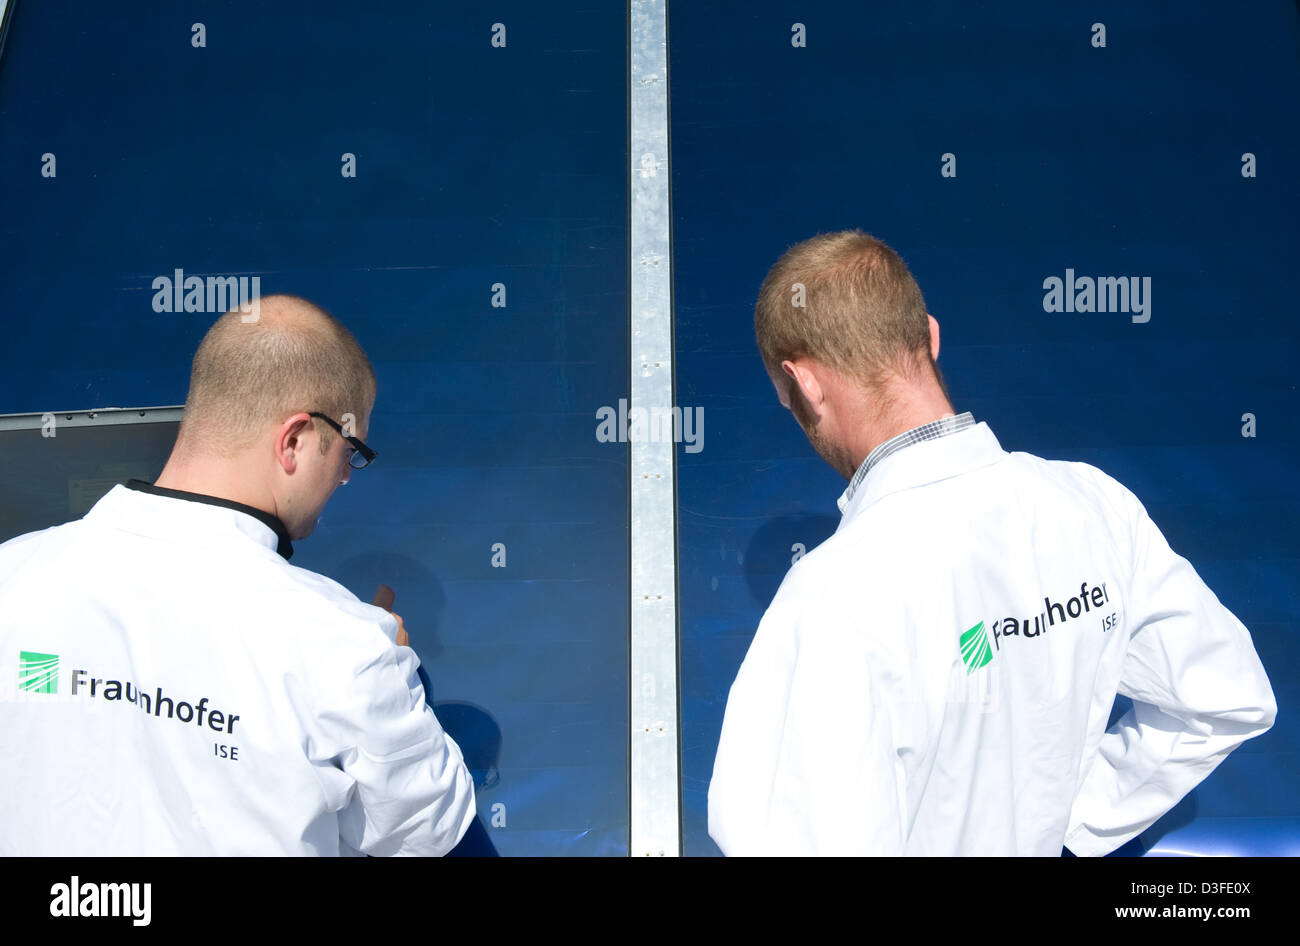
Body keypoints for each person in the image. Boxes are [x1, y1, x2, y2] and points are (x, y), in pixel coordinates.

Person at [707, 230, 1276, 856]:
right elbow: (1226, 698)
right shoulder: (1093, 507)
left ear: (805, 384)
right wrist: (1071, 823)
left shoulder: (826, 599)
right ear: (929, 335)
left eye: (785, 400)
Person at [0, 294, 475, 855]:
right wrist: (397, 678)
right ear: (295, 439)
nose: (346, 476)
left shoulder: (14, 577)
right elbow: (431, 835)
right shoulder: (343, 644)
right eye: (350, 452)